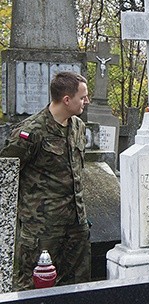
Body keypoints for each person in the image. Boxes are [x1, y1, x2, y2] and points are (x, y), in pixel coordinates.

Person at [1, 71, 91, 290]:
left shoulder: (78, 127)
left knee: (77, 288)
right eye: (83, 97)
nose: (86, 101)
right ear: (67, 100)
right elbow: (7, 174)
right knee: (33, 289)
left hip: (76, 225)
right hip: (43, 230)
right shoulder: (30, 132)